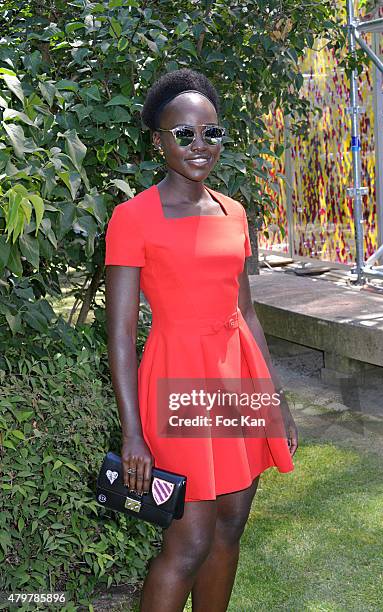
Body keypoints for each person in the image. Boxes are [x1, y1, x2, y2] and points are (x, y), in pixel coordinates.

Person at [104, 68, 298, 612]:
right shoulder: (132, 218)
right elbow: (120, 335)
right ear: (158, 140)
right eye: (183, 134)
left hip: (239, 381)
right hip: (178, 382)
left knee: (231, 525)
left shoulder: (233, 212)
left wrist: (275, 401)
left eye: (210, 133)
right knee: (187, 542)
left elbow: (248, 313)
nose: (199, 145)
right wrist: (133, 435)